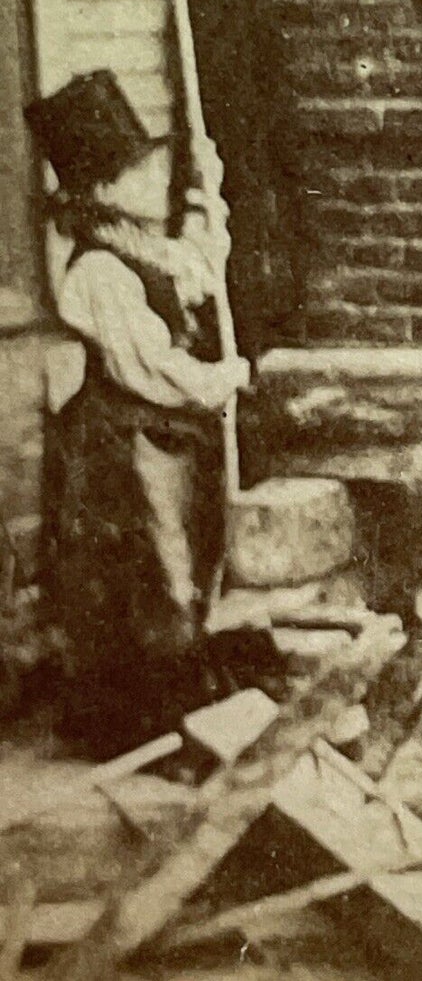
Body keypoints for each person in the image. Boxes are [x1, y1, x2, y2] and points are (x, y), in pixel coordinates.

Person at [25, 69, 253, 758]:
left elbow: (198, 272)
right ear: (98, 190)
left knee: (181, 567)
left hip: (162, 437)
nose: (148, 179)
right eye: (132, 171)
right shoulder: (99, 271)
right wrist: (220, 378)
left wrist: (207, 205)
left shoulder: (143, 246)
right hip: (124, 445)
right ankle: (140, 725)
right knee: (153, 576)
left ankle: (172, 715)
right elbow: (146, 366)